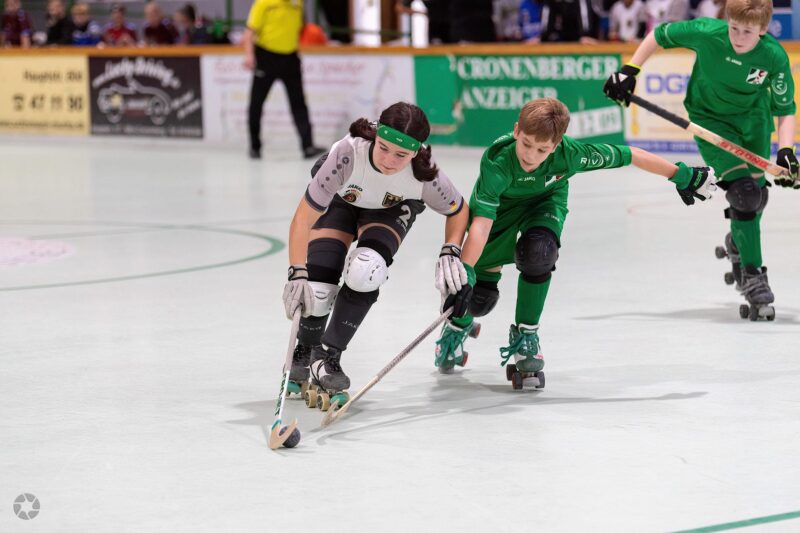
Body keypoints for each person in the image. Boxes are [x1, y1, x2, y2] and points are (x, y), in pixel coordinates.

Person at [432, 98, 715, 383]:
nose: (531, 155)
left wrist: (682, 175)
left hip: (544, 203)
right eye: (526, 144)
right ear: (517, 130)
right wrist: (465, 273)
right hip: (500, 213)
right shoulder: (497, 162)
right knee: (478, 300)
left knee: (539, 254)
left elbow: (630, 155)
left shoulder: (572, 155)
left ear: (556, 145)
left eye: (542, 149)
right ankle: (458, 327)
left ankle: (527, 335)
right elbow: (481, 227)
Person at [603, 0, 798, 320]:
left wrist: (786, 151)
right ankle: (753, 275)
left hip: (754, 121)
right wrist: (630, 70)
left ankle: (739, 243)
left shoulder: (773, 56)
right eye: (734, 28)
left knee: (758, 196)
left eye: (748, 32)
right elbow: (659, 35)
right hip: (711, 120)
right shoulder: (707, 32)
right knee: (745, 195)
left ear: (763, 30)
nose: (738, 37)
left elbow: (785, 108)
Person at [282, 102, 469, 407]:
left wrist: (451, 249)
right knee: (316, 287)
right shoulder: (347, 155)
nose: (389, 161)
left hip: (390, 209)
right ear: (376, 135)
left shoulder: (424, 174)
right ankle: (305, 348)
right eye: (383, 148)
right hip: (342, 199)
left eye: (401, 155)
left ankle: (328, 356)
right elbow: (302, 218)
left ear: (417, 152)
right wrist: (296, 272)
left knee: (366, 270)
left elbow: (459, 210)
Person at [243, 0, 325, 160]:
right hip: (266, 56)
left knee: (299, 103)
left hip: (290, 57)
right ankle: (254, 146)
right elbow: (249, 32)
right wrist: (249, 55)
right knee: (256, 103)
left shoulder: (298, 3)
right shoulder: (264, 3)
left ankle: (307, 146)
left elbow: (300, 28)